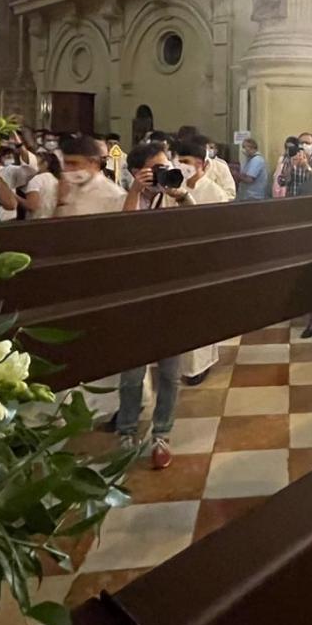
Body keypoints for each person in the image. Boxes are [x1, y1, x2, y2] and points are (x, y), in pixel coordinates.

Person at [114, 140, 186, 468]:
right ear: (136, 171)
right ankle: (127, 430)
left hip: (171, 292)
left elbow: (198, 223)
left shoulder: (172, 197)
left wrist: (180, 195)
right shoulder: (121, 197)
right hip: (134, 294)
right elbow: (124, 235)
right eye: (156, 168)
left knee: (171, 373)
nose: (163, 173)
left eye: (165, 166)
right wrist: (134, 192)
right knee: (132, 373)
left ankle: (162, 433)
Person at [54, 134, 128, 217]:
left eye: (74, 163)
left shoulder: (114, 195)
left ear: (92, 163)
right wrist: (60, 201)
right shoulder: (64, 189)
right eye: (66, 163)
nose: (68, 169)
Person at [22, 151, 62, 219]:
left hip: (36, 220)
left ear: (45, 164)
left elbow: (32, 206)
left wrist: (15, 197)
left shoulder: (36, 179)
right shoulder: (56, 180)